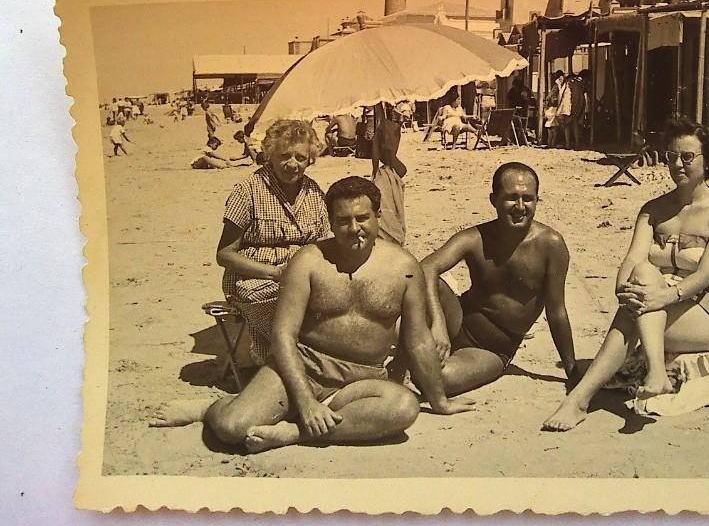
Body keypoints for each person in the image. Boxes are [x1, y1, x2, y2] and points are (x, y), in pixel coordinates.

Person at [153, 177, 472, 449]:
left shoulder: (405, 266)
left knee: (403, 407)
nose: (354, 229)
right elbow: (283, 335)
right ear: (330, 222)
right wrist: (305, 400)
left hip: (361, 379)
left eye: (362, 218)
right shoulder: (308, 261)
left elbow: (417, 340)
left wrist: (440, 401)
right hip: (303, 368)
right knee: (233, 428)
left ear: (378, 216)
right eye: (343, 221)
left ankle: (294, 433)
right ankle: (211, 408)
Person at [543, 118, 709, 430]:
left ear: (708, 160)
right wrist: (623, 289)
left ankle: (580, 399)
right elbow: (633, 259)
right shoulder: (654, 209)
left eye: (687, 157)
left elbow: (705, 275)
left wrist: (660, 297)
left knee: (641, 299)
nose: (677, 164)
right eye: (671, 156)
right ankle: (652, 374)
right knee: (642, 274)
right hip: (657, 304)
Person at [420, 163, 576, 395]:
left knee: (439, 380)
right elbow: (426, 267)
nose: (520, 207)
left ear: (537, 200)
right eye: (511, 198)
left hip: (492, 348)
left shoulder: (550, 245)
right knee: (421, 282)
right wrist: (439, 324)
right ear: (494, 200)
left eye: (528, 199)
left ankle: (416, 359)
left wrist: (571, 370)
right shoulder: (475, 238)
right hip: (457, 319)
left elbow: (556, 312)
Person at [216, 119, 331, 363]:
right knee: (289, 304)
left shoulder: (314, 193)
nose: (292, 164)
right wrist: (276, 272)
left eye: (300, 157)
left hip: (303, 277)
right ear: (270, 155)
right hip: (254, 280)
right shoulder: (247, 190)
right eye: (284, 156)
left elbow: (323, 245)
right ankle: (291, 360)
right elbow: (224, 255)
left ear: (310, 159)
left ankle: (308, 360)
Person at [372, 104, 407, 246]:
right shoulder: (394, 128)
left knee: (389, 205)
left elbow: (377, 155)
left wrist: (375, 171)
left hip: (388, 168)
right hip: (393, 168)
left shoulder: (383, 129)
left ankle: (390, 231)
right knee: (395, 205)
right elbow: (389, 154)